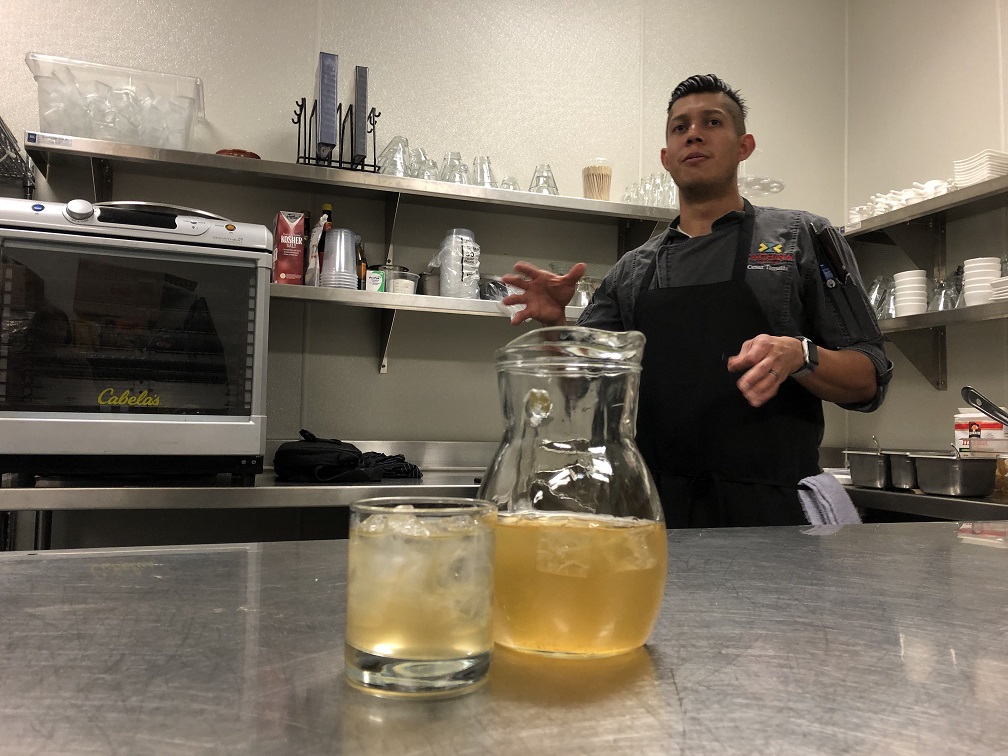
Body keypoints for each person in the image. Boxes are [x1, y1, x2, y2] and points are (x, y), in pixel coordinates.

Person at [501, 73, 892, 528]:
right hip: (656, 515)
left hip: (777, 520)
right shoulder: (633, 270)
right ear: (666, 158)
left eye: (712, 122)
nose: (695, 133)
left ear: (743, 146)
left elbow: (870, 378)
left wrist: (799, 354)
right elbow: (581, 389)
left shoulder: (801, 238)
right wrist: (554, 327)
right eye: (680, 126)